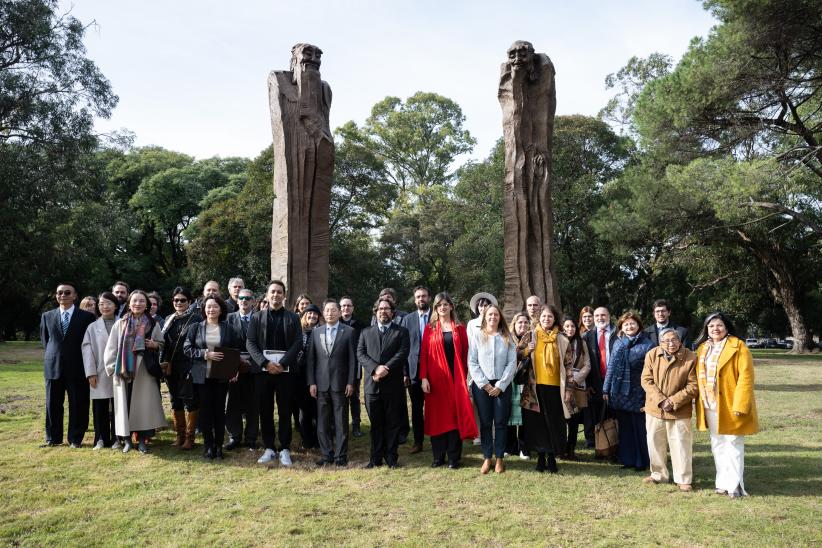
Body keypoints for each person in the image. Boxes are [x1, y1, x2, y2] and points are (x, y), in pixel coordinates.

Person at [694, 312, 758, 498]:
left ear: (727, 327)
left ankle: (736, 484)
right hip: (709, 403)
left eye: (719, 325)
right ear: (706, 329)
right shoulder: (702, 348)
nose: (715, 329)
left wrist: (741, 405)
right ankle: (722, 483)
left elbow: (746, 378)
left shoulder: (739, 347)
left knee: (733, 443)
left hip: (730, 404)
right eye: (711, 326)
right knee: (718, 443)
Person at [246, 280, 302, 467]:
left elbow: (298, 343)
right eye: (272, 292)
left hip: (286, 372)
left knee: (285, 409)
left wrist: (283, 363)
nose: (276, 295)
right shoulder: (256, 317)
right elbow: (250, 343)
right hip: (263, 372)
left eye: (279, 292)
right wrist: (265, 363)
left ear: (284, 295)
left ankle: (285, 448)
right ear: (267, 295)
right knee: (265, 409)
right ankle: (269, 447)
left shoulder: (293, 318)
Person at [103, 290, 166, 454]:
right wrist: (111, 369)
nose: (138, 304)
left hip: (145, 371)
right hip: (124, 370)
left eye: (141, 301)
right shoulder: (120, 323)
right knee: (125, 406)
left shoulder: (153, 324)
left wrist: (154, 345)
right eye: (135, 301)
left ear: (147, 305)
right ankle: (128, 441)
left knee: (143, 407)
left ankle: (143, 441)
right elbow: (111, 348)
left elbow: (161, 343)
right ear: (129, 304)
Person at [420, 292, 477, 469]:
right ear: (435, 308)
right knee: (437, 418)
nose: (442, 308)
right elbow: (423, 355)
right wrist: (423, 378)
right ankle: (438, 456)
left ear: (451, 306)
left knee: (453, 417)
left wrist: (466, 377)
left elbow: (467, 353)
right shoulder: (430, 329)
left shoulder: (459, 328)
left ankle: (454, 457)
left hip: (455, 379)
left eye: (445, 304)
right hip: (435, 380)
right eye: (439, 305)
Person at [183, 295, 244, 460]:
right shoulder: (195, 328)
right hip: (202, 376)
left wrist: (235, 370)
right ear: (204, 309)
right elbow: (187, 349)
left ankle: (218, 446)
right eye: (208, 306)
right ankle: (208, 446)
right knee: (205, 412)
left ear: (221, 309)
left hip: (221, 376)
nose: (211, 309)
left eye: (215, 306)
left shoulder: (229, 329)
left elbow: (235, 352)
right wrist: (205, 354)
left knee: (219, 412)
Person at [641, 328, 698, 491]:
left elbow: (693, 385)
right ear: (660, 342)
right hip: (655, 408)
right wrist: (661, 400)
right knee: (655, 442)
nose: (671, 344)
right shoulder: (652, 354)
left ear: (680, 341)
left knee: (681, 444)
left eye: (674, 340)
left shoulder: (691, 357)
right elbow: (646, 380)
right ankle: (658, 475)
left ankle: (683, 478)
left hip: (679, 410)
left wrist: (673, 401)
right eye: (666, 341)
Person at [40, 282, 96, 447]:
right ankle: (53, 438)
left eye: (66, 292)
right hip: (53, 367)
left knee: (78, 403)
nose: (62, 295)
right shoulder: (47, 316)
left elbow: (88, 343)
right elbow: (46, 341)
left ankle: (75, 438)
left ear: (74, 295)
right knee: (52, 404)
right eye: (59, 293)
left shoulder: (86, 317)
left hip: (77, 367)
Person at [357, 297, 410, 468]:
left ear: (392, 313)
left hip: (393, 386)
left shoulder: (401, 332)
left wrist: (385, 368)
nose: (383, 311)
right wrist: (374, 369)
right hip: (372, 386)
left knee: (392, 423)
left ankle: (391, 457)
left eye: (387, 309)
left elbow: (402, 353)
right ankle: (375, 458)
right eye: (380, 309)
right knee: (376, 425)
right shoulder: (366, 332)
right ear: (376, 311)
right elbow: (360, 353)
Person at [520, 305, 573, 473]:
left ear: (554, 319)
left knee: (554, 424)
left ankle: (551, 457)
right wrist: (528, 350)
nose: (546, 319)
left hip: (556, 388)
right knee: (537, 424)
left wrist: (569, 388)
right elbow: (516, 353)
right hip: (534, 389)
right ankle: (540, 457)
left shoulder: (563, 339)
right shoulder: (531, 335)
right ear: (539, 318)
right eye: (543, 316)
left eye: (549, 316)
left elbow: (569, 365)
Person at [602, 311, 654, 471]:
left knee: (640, 428)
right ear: (621, 327)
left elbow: (653, 371)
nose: (630, 326)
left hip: (640, 392)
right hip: (620, 393)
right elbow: (611, 367)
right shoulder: (618, 343)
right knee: (625, 429)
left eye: (632, 323)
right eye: (626, 324)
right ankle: (628, 459)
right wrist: (606, 389)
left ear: (638, 325)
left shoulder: (648, 345)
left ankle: (642, 461)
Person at [307, 300, 357, 466]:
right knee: (322, 422)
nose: (330, 313)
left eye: (333, 310)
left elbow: (352, 361)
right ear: (323, 313)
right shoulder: (316, 332)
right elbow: (311, 360)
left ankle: (340, 456)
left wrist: (351, 382)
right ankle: (326, 454)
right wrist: (311, 382)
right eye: (327, 310)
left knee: (341, 421)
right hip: (320, 385)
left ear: (339, 312)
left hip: (341, 384)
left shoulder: (349, 332)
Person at [468, 304, 516, 474]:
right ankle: (487, 457)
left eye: (496, 315)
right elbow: (472, 362)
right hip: (482, 386)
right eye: (490, 315)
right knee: (486, 422)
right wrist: (485, 384)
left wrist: (500, 385)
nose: (493, 317)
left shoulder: (507, 336)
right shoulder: (477, 336)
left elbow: (512, 363)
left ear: (499, 317)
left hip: (502, 385)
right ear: (485, 317)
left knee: (501, 423)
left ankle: (500, 459)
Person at [159, 287, 201, 450]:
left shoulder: (195, 318)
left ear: (189, 302)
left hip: (188, 365)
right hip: (171, 366)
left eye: (182, 300)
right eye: (176, 300)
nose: (179, 303)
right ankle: (179, 435)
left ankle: (190, 438)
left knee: (190, 401)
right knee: (174, 400)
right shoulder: (169, 319)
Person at [81, 292, 118, 449]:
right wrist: (90, 373)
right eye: (101, 303)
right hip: (99, 372)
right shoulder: (92, 327)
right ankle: (101, 438)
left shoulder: (123, 323)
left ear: (115, 305)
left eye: (108, 303)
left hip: (119, 371)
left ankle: (118, 438)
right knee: (99, 406)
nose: (104, 306)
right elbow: (86, 350)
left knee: (118, 406)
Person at [225, 288, 259, 450]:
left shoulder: (259, 318)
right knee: (233, 404)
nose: (244, 301)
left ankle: (251, 437)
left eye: (247, 298)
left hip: (254, 367)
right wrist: (233, 367)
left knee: (253, 404)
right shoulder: (229, 318)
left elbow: (261, 344)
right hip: (234, 369)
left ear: (253, 301)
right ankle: (234, 436)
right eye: (241, 298)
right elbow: (226, 344)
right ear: (237, 300)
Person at [400, 286, 431, 454]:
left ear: (429, 298)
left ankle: (437, 439)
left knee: (434, 407)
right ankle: (418, 442)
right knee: (417, 408)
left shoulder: (437, 316)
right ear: (414, 299)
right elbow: (403, 348)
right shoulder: (408, 319)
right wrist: (405, 372)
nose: (421, 299)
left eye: (424, 296)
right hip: (413, 371)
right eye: (418, 297)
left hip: (434, 370)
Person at [582, 306, 617, 450]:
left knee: (614, 413)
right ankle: (596, 443)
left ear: (609, 316)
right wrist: (588, 383)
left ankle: (615, 443)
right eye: (597, 316)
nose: (600, 318)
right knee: (595, 414)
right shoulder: (587, 336)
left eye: (603, 315)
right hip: (595, 382)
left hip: (614, 381)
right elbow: (584, 361)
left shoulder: (618, 333)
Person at [561, 315, 591, 461]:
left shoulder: (582, 342)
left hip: (577, 387)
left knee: (574, 420)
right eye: (567, 326)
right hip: (561, 385)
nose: (570, 329)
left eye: (572, 326)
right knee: (561, 419)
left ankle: (571, 450)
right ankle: (560, 449)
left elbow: (587, 364)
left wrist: (574, 380)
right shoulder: (558, 341)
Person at [294, 303, 321, 450]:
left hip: (317, 376)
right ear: (303, 316)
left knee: (317, 411)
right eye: (309, 314)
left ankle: (318, 440)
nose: (312, 317)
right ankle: (307, 440)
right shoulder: (297, 331)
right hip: (299, 376)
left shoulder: (321, 332)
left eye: (315, 315)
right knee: (303, 411)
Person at [339, 296, 365, 438]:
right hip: (338, 366)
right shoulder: (335, 323)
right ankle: (341, 425)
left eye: (348, 306)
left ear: (353, 308)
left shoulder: (360, 325)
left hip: (354, 365)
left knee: (354, 397)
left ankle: (356, 426)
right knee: (340, 397)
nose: (346, 308)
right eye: (343, 306)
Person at [507, 312, 531, 459]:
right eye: (519, 322)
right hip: (510, 381)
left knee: (525, 416)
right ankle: (510, 447)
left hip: (527, 382)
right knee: (509, 414)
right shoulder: (507, 339)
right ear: (514, 325)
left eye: (525, 322)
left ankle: (523, 447)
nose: (522, 325)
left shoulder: (533, 339)